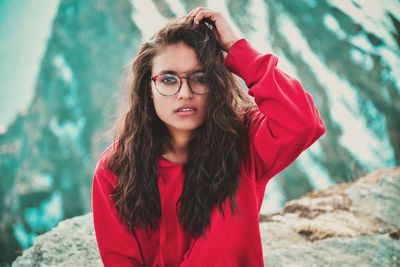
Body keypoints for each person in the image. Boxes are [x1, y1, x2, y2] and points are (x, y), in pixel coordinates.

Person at [92, 7, 326, 267]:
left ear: (215, 84)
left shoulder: (245, 142)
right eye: (169, 80)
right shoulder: (116, 168)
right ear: (148, 89)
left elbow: (304, 123)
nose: (185, 93)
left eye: (200, 78)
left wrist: (237, 48)